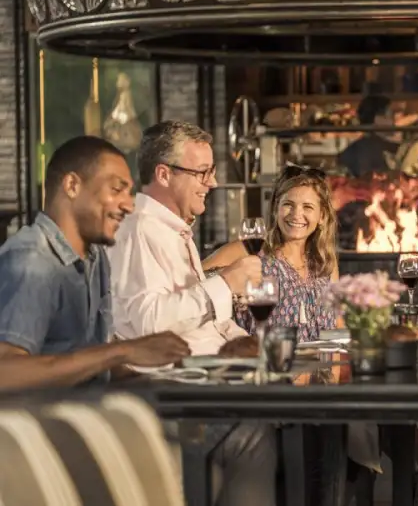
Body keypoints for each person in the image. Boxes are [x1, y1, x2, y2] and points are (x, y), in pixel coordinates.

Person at [107, 120, 277, 506]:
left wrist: (253, 344)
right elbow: (148, 322)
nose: (212, 183)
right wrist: (226, 282)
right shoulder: (140, 230)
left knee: (302, 412)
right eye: (202, 172)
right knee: (260, 428)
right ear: (164, 174)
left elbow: (206, 321)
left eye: (211, 171)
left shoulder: (173, 230)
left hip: (205, 379)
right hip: (173, 389)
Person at [0, 136, 190, 391]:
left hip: (92, 407)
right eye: (116, 190)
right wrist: (122, 351)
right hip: (47, 416)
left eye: (129, 193)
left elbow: (91, 362)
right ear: (72, 186)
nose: (129, 205)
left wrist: (168, 380)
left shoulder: (95, 256)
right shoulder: (32, 261)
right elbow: (5, 372)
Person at [204, 164, 340, 341]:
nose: (296, 214)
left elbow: (336, 328)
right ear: (276, 209)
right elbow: (194, 281)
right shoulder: (249, 251)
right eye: (288, 205)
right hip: (263, 358)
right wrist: (227, 279)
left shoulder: (325, 262)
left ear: (322, 216)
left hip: (320, 359)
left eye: (307, 207)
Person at [337, 94, 418, 177]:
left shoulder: (352, 150)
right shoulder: (392, 148)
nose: (394, 121)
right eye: (390, 115)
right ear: (378, 119)